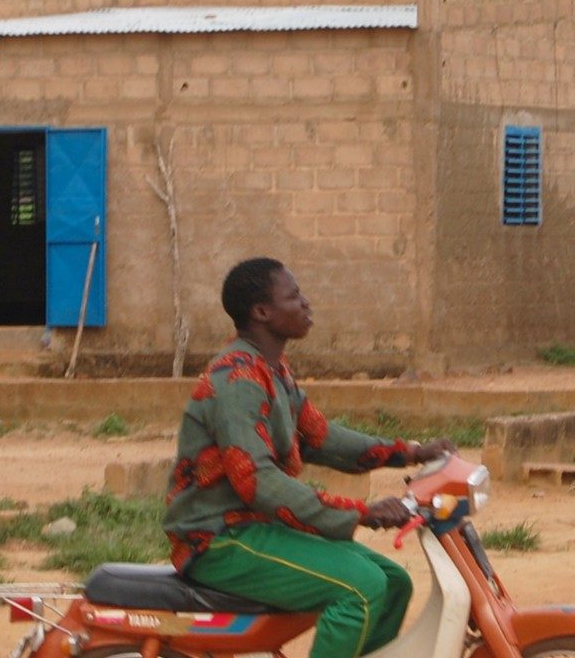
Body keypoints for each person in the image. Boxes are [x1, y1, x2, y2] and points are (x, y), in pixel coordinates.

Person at [163, 257, 453, 658]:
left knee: (394, 582)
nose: (306, 304)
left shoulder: (272, 368)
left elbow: (320, 436)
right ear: (262, 312)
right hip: (217, 538)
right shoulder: (237, 379)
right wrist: (360, 512)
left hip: (256, 527)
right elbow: (257, 479)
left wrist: (411, 453)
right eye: (294, 296)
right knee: (362, 588)